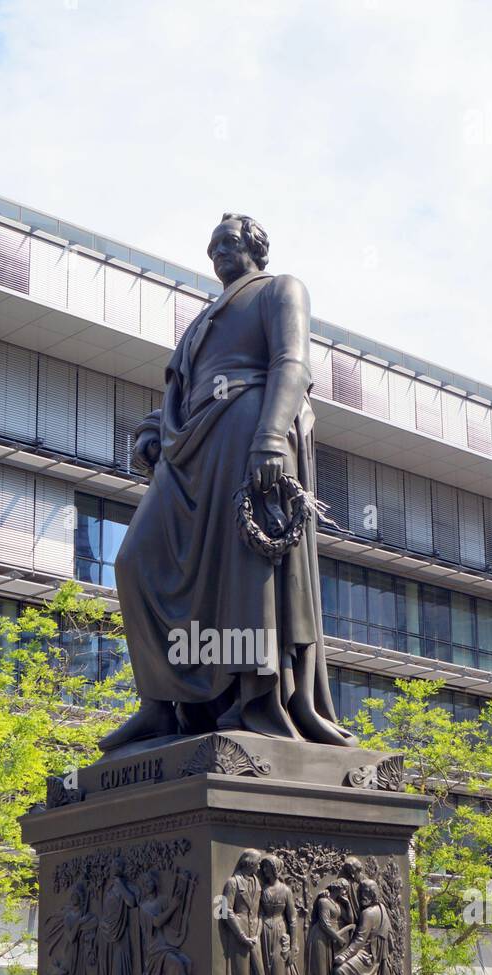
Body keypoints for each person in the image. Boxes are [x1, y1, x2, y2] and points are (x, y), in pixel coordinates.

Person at [100, 214, 356, 751]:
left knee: (245, 574)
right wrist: (154, 430)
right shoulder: (201, 319)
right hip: (192, 448)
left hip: (247, 432)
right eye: (212, 243)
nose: (218, 250)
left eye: (230, 241)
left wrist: (269, 437)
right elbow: (182, 393)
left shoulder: (281, 289)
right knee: (135, 561)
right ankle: (159, 703)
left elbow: (293, 363)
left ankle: (253, 699)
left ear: (256, 249)